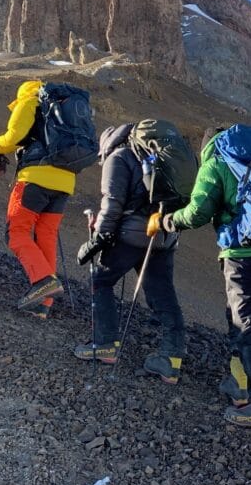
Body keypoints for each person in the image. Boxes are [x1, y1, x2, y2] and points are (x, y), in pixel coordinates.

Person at [160, 126, 251, 434]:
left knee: (247, 324)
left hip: (241, 253)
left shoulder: (217, 162)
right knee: (240, 317)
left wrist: (167, 221)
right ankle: (238, 384)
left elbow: (198, 212)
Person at [73, 124, 185, 382]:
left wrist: (98, 238)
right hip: (164, 236)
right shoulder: (159, 157)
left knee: (101, 281)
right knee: (163, 296)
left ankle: (105, 344)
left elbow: (112, 203)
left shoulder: (119, 158)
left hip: (132, 236)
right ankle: (172, 358)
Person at [0, 80, 72, 318]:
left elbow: (14, 136)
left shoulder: (30, 100)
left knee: (17, 233)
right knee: (46, 236)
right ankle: (44, 304)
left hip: (35, 178)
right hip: (65, 182)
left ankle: (43, 282)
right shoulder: (65, 109)